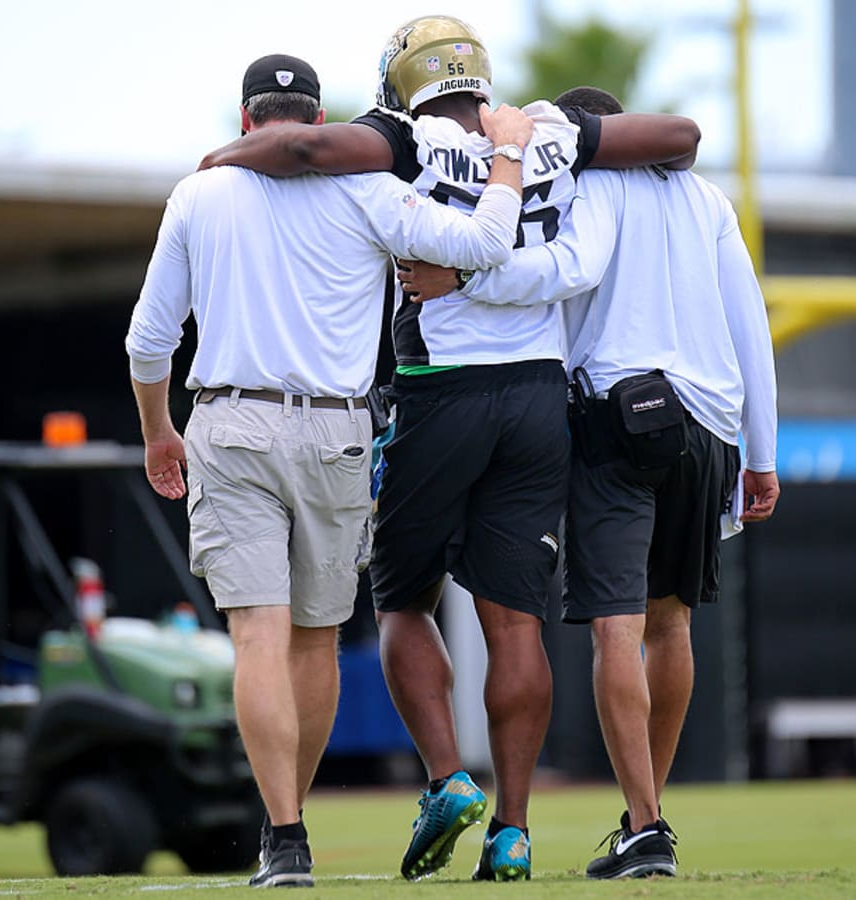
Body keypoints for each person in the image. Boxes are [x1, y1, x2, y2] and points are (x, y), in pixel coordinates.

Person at [198, 17, 702, 883]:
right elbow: (680, 137)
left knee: (401, 601)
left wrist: (226, 158)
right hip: (540, 396)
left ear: (405, 80)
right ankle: (513, 829)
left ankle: (445, 780)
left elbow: (309, 151)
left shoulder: (402, 137)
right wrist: (547, 137)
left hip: (441, 389)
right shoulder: (543, 133)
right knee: (516, 623)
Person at [124, 52, 535, 888]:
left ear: (247, 123)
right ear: (320, 123)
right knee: (314, 643)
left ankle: (283, 837)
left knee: (256, 639)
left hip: (232, 423)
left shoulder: (199, 192)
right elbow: (491, 242)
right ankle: (292, 829)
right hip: (339, 431)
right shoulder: (369, 188)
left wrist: (158, 432)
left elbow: (148, 341)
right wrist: (507, 155)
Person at [399, 85, 780, 880]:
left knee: (617, 628)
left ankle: (647, 824)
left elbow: (573, 267)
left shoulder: (594, 184)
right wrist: (763, 452)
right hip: (710, 423)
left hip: (620, 414)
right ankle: (646, 818)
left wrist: (463, 280)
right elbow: (750, 316)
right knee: (672, 629)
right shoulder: (709, 199)